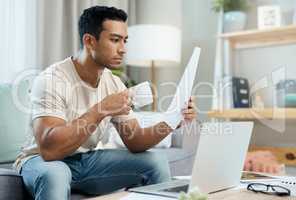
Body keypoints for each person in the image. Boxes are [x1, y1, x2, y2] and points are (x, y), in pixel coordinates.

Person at [14, 6, 197, 200]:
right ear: (90, 41)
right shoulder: (52, 79)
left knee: (156, 161)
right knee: (55, 174)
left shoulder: (113, 83)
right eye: (115, 40)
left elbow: (135, 141)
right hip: (40, 160)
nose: (123, 49)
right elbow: (50, 150)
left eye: (124, 41)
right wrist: (101, 109)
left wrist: (172, 120)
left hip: (86, 161)